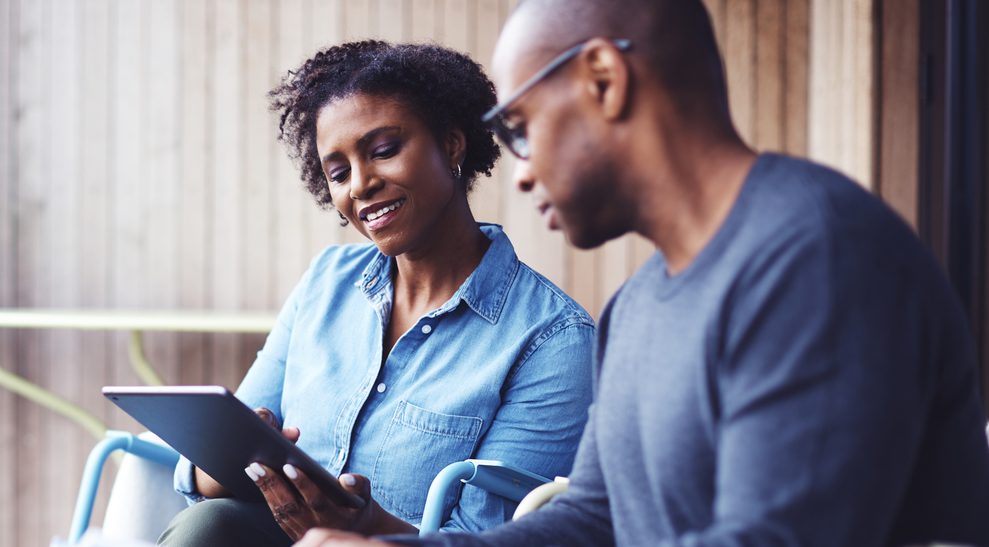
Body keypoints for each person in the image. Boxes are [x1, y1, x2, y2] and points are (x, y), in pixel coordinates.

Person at [294, 1, 989, 546]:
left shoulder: (818, 256)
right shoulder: (637, 305)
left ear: (604, 79)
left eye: (520, 128)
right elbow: (593, 523)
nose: (522, 168)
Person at [157, 40, 595, 546]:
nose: (360, 185)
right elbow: (209, 470)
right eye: (338, 173)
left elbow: (488, 539)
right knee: (207, 526)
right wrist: (235, 460)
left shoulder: (553, 340)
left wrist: (364, 532)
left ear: (452, 144)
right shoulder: (327, 281)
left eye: (384, 151)